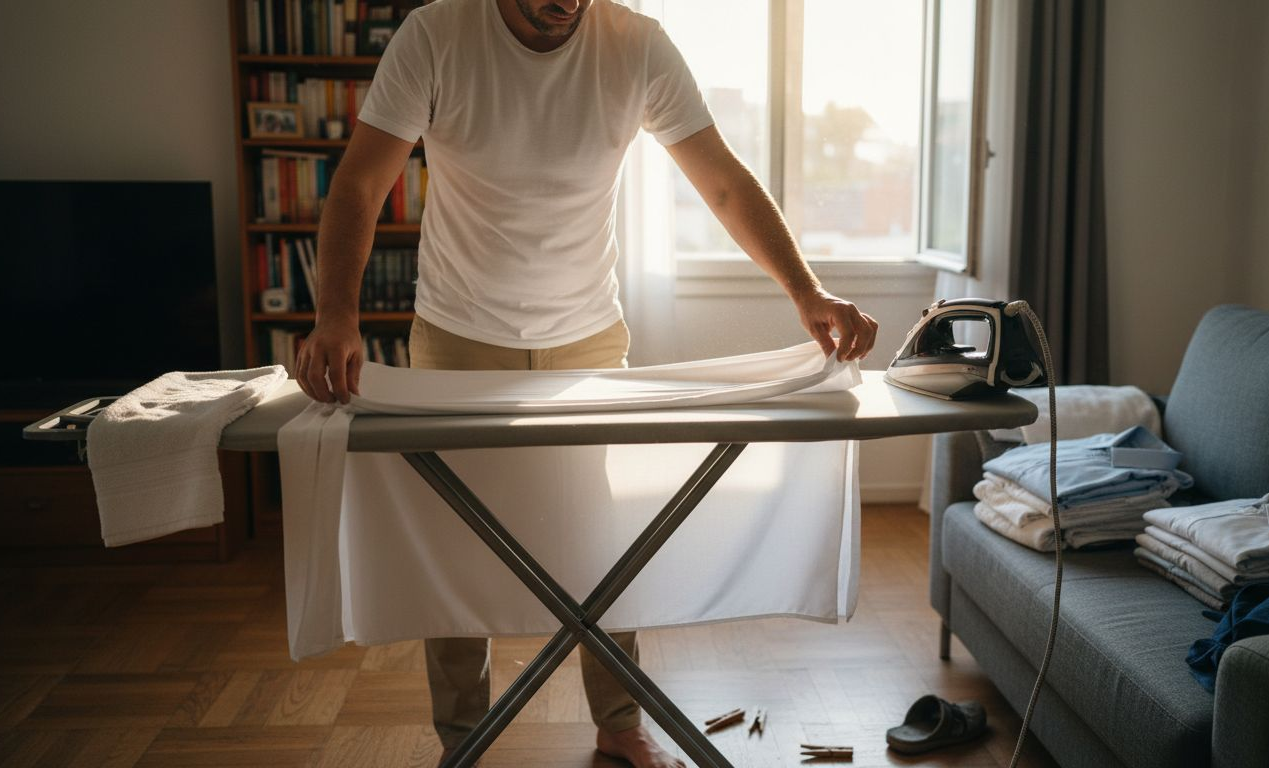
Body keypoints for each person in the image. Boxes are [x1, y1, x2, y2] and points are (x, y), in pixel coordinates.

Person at [294, 0, 879, 765]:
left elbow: (725, 185)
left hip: (587, 336)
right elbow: (364, 182)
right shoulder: (435, 34)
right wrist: (335, 313)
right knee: (452, 536)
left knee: (608, 544)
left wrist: (806, 291)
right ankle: (464, 739)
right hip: (458, 334)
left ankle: (619, 724)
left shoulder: (637, 44)